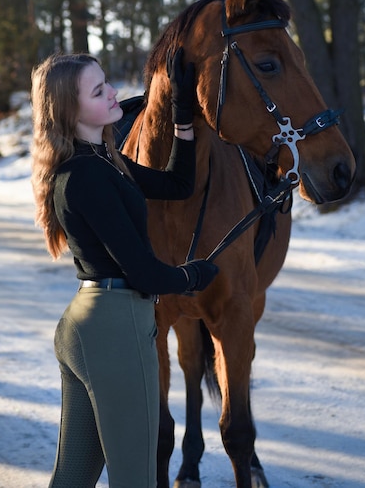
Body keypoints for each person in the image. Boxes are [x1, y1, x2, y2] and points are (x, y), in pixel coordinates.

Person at [30, 49, 219, 488]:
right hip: (113, 330)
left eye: (107, 82)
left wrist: (182, 118)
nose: (113, 92)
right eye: (98, 91)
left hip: (92, 328)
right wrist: (193, 276)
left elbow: (177, 184)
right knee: (137, 478)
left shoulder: (105, 161)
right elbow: (145, 273)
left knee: (72, 479)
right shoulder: (85, 177)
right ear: (70, 110)